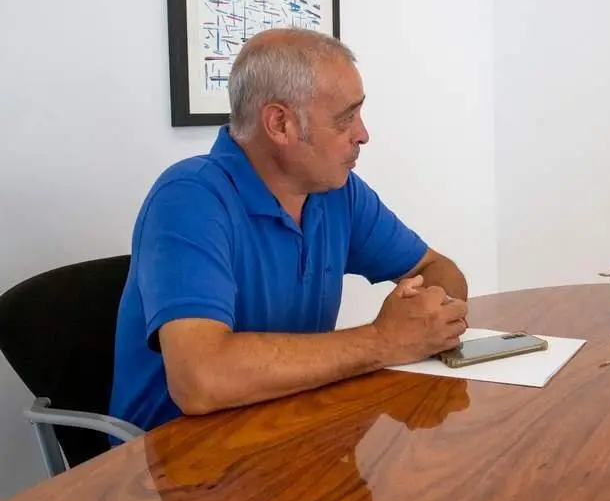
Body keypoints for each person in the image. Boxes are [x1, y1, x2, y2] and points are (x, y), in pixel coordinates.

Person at [109, 28, 469, 433]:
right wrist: (384, 341)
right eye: (345, 118)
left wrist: (429, 313)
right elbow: (200, 381)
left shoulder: (336, 193)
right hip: (173, 469)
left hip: (288, 432)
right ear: (280, 124)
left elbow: (436, 266)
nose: (363, 134)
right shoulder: (189, 199)